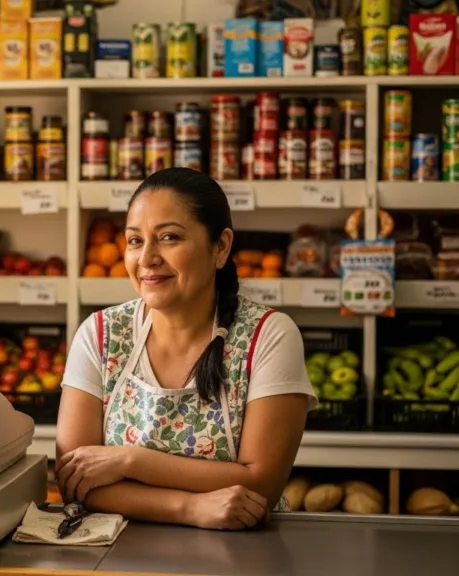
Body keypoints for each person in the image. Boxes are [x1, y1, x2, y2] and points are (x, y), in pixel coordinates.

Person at [55, 168, 317, 531]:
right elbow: (74, 480)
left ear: (220, 247)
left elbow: (261, 486)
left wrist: (129, 462)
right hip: (119, 559)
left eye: (169, 237)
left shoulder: (268, 336)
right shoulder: (100, 335)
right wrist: (188, 507)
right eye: (134, 240)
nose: (146, 257)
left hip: (242, 553)